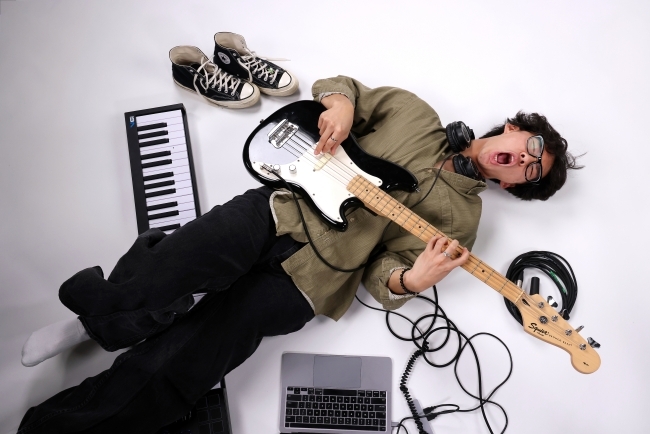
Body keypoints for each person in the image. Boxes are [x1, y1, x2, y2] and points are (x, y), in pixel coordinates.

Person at [17, 76, 578, 434]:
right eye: (529, 149)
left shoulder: (463, 223)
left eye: (531, 173)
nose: (519, 162)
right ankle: (99, 318)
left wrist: (412, 279)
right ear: (514, 128)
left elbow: (381, 275)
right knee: (175, 263)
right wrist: (334, 106)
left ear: (513, 187)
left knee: (188, 361)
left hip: (310, 282)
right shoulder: (414, 112)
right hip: (280, 206)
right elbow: (344, 89)